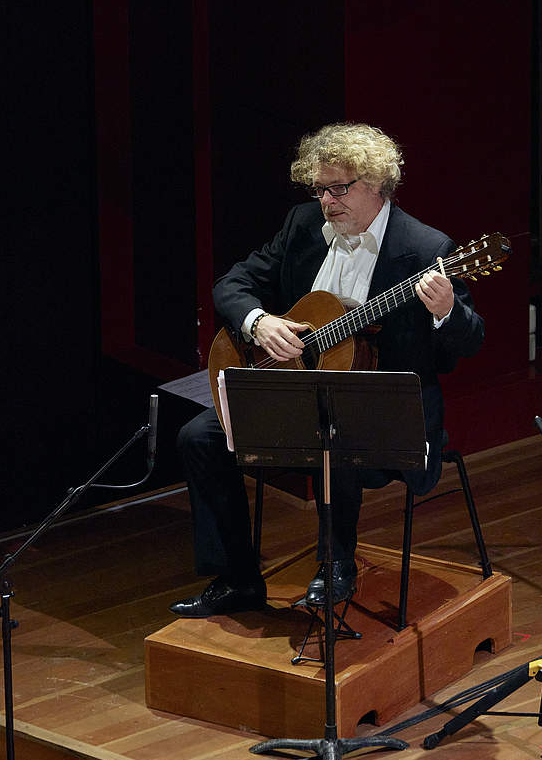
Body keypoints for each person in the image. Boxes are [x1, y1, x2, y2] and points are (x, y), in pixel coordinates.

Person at [170, 123, 484, 618]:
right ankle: (237, 579)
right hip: (296, 390)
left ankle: (336, 563)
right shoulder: (301, 227)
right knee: (199, 436)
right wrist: (259, 322)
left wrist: (447, 310)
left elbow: (466, 344)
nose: (327, 201)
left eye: (340, 188)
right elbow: (234, 282)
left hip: (383, 416)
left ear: (377, 185)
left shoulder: (426, 250)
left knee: (334, 426)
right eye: (320, 188)